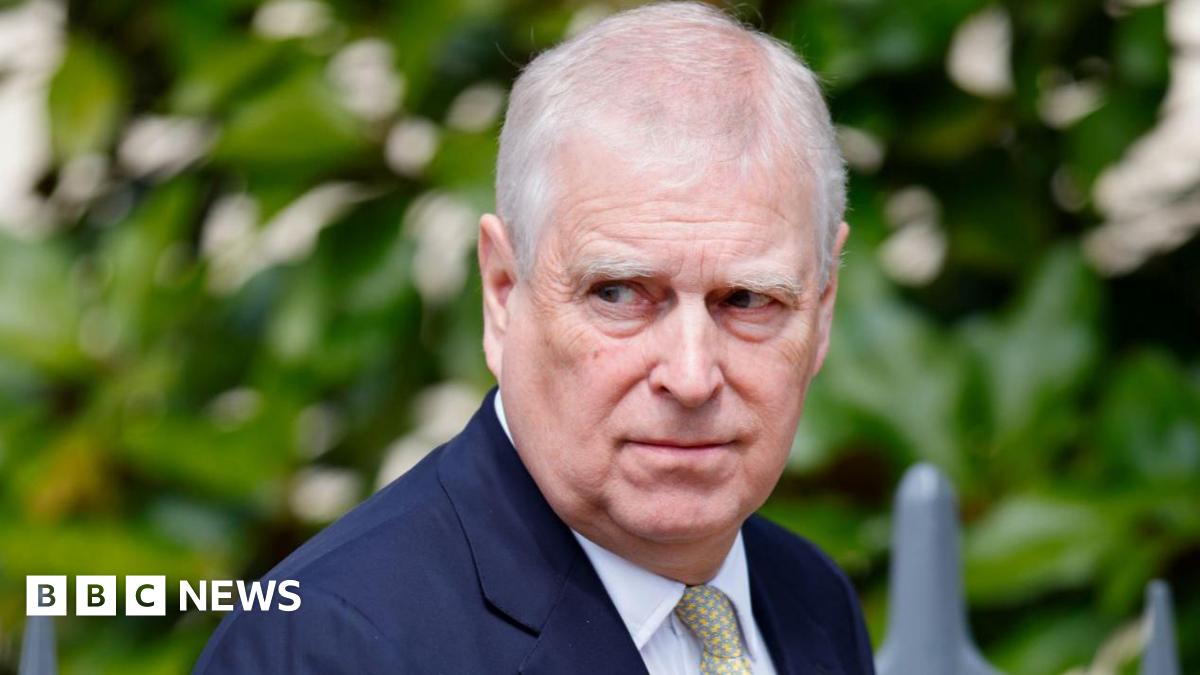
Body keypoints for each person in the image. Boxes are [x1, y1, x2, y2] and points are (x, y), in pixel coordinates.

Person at [194, 2, 874, 673]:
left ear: (820, 309)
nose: (692, 376)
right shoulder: (328, 646)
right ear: (501, 291)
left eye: (748, 299)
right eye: (618, 293)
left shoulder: (808, 598)